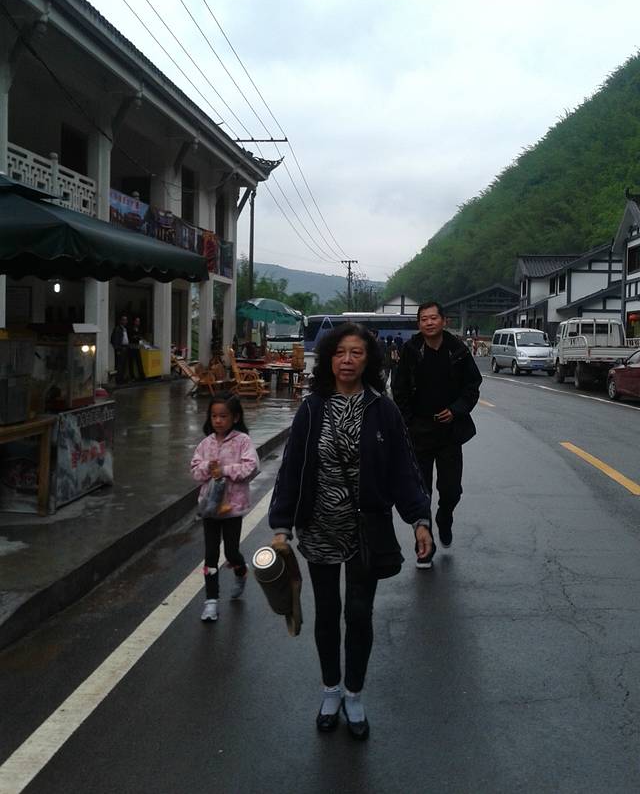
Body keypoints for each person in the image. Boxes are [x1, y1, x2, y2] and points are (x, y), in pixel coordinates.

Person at [269, 323, 433, 740]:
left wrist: (419, 520)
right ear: (328, 359)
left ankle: (354, 693)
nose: (347, 360)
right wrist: (281, 525)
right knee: (327, 613)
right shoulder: (312, 409)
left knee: (359, 614)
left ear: (368, 360)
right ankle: (331, 689)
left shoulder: (383, 409)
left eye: (356, 353)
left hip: (366, 530)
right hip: (319, 527)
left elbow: (403, 469)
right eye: (340, 352)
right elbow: (291, 469)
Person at [392, 301, 482, 557]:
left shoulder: (458, 350)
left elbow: (472, 386)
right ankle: (425, 543)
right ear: (419, 324)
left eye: (433, 318)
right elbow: (398, 388)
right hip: (418, 431)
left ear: (444, 321)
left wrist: (456, 410)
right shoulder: (411, 350)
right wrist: (408, 421)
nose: (429, 322)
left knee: (451, 490)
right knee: (422, 492)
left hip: (449, 432)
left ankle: (445, 516)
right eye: (424, 319)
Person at [190, 392, 259, 622]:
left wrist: (225, 470)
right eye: (214, 416)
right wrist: (207, 468)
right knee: (210, 554)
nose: (218, 421)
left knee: (230, 551)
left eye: (223, 416)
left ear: (235, 417)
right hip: (210, 508)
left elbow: (251, 467)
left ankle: (241, 569)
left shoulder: (243, 442)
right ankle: (211, 601)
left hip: (233, 508)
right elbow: (195, 471)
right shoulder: (205, 444)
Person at [110, 314, 129, 384]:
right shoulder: (117, 329)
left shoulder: (124, 329)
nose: (125, 321)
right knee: (119, 364)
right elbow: (114, 339)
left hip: (125, 347)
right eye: (123, 320)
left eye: (126, 320)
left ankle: (122, 378)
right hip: (120, 348)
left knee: (123, 364)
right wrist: (117, 349)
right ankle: (119, 379)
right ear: (120, 321)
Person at [127, 316, 146, 381]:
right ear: (134, 322)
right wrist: (136, 337)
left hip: (137, 347)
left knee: (139, 361)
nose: (138, 322)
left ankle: (142, 375)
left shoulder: (139, 329)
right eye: (137, 321)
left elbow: (140, 337)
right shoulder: (130, 329)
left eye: (139, 321)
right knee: (131, 362)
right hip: (131, 347)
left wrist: (138, 338)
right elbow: (131, 338)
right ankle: (132, 376)